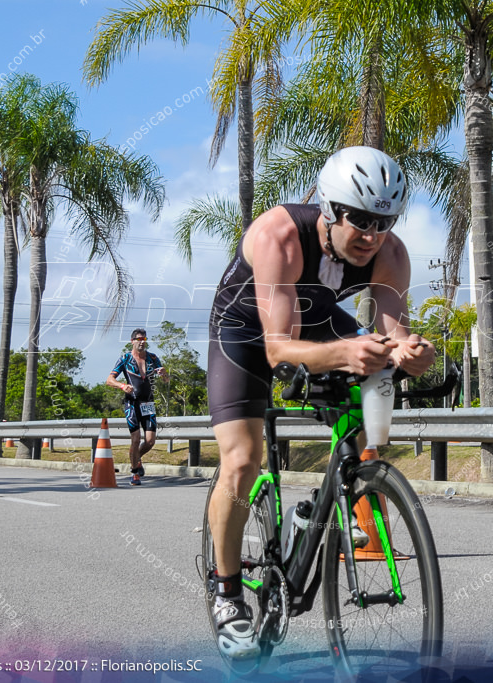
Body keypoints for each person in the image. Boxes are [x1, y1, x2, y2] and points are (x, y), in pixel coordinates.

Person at [204, 146, 436, 660]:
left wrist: (412, 351)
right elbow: (277, 347)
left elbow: (392, 335)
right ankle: (226, 593)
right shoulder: (279, 234)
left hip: (318, 321)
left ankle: (348, 487)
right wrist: (345, 352)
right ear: (330, 210)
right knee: (242, 461)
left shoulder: (390, 254)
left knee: (375, 370)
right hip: (246, 332)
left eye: (384, 221)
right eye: (360, 220)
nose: (372, 235)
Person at [107, 328, 168, 486]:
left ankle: (135, 459)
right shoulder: (125, 359)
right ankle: (135, 473)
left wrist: (164, 374)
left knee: (150, 441)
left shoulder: (153, 358)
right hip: (132, 403)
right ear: (132, 341)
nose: (142, 342)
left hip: (148, 403)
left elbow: (166, 380)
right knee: (135, 439)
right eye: (139, 339)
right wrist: (122, 386)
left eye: (144, 339)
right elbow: (109, 379)